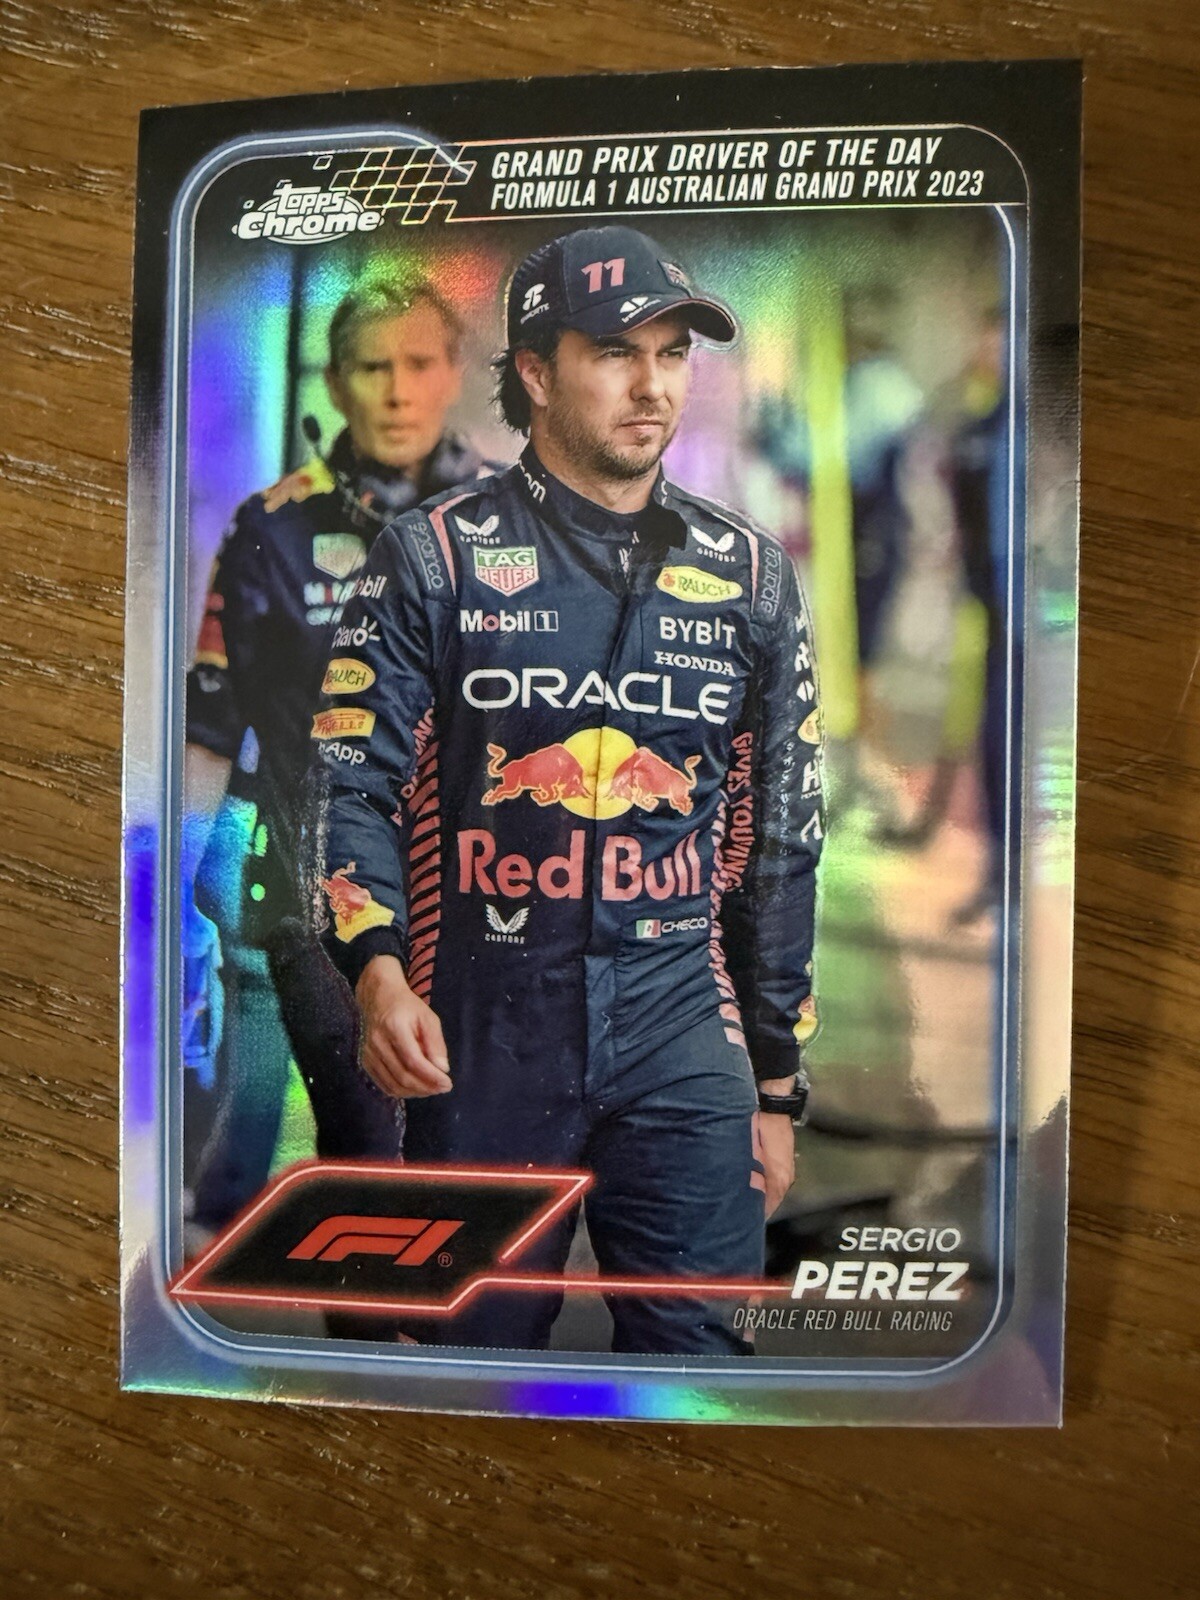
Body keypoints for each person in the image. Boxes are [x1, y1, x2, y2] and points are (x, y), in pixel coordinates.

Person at [316, 226, 824, 1356]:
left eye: (673, 354)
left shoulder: (751, 576)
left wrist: (776, 1086)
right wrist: (378, 974)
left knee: (700, 1366)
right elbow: (350, 785)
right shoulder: (431, 559)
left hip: (680, 1020)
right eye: (616, 353)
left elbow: (782, 843)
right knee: (477, 1362)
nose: (653, 385)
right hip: (485, 1027)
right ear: (538, 374)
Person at [184, 275, 497, 1242]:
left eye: (418, 364)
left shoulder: (512, 518)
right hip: (319, 889)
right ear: (334, 382)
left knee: (476, 1155)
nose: (397, 391)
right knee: (367, 1152)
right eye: (372, 367)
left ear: (454, 374)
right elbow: (210, 729)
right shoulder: (271, 528)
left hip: (492, 891)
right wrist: (187, 898)